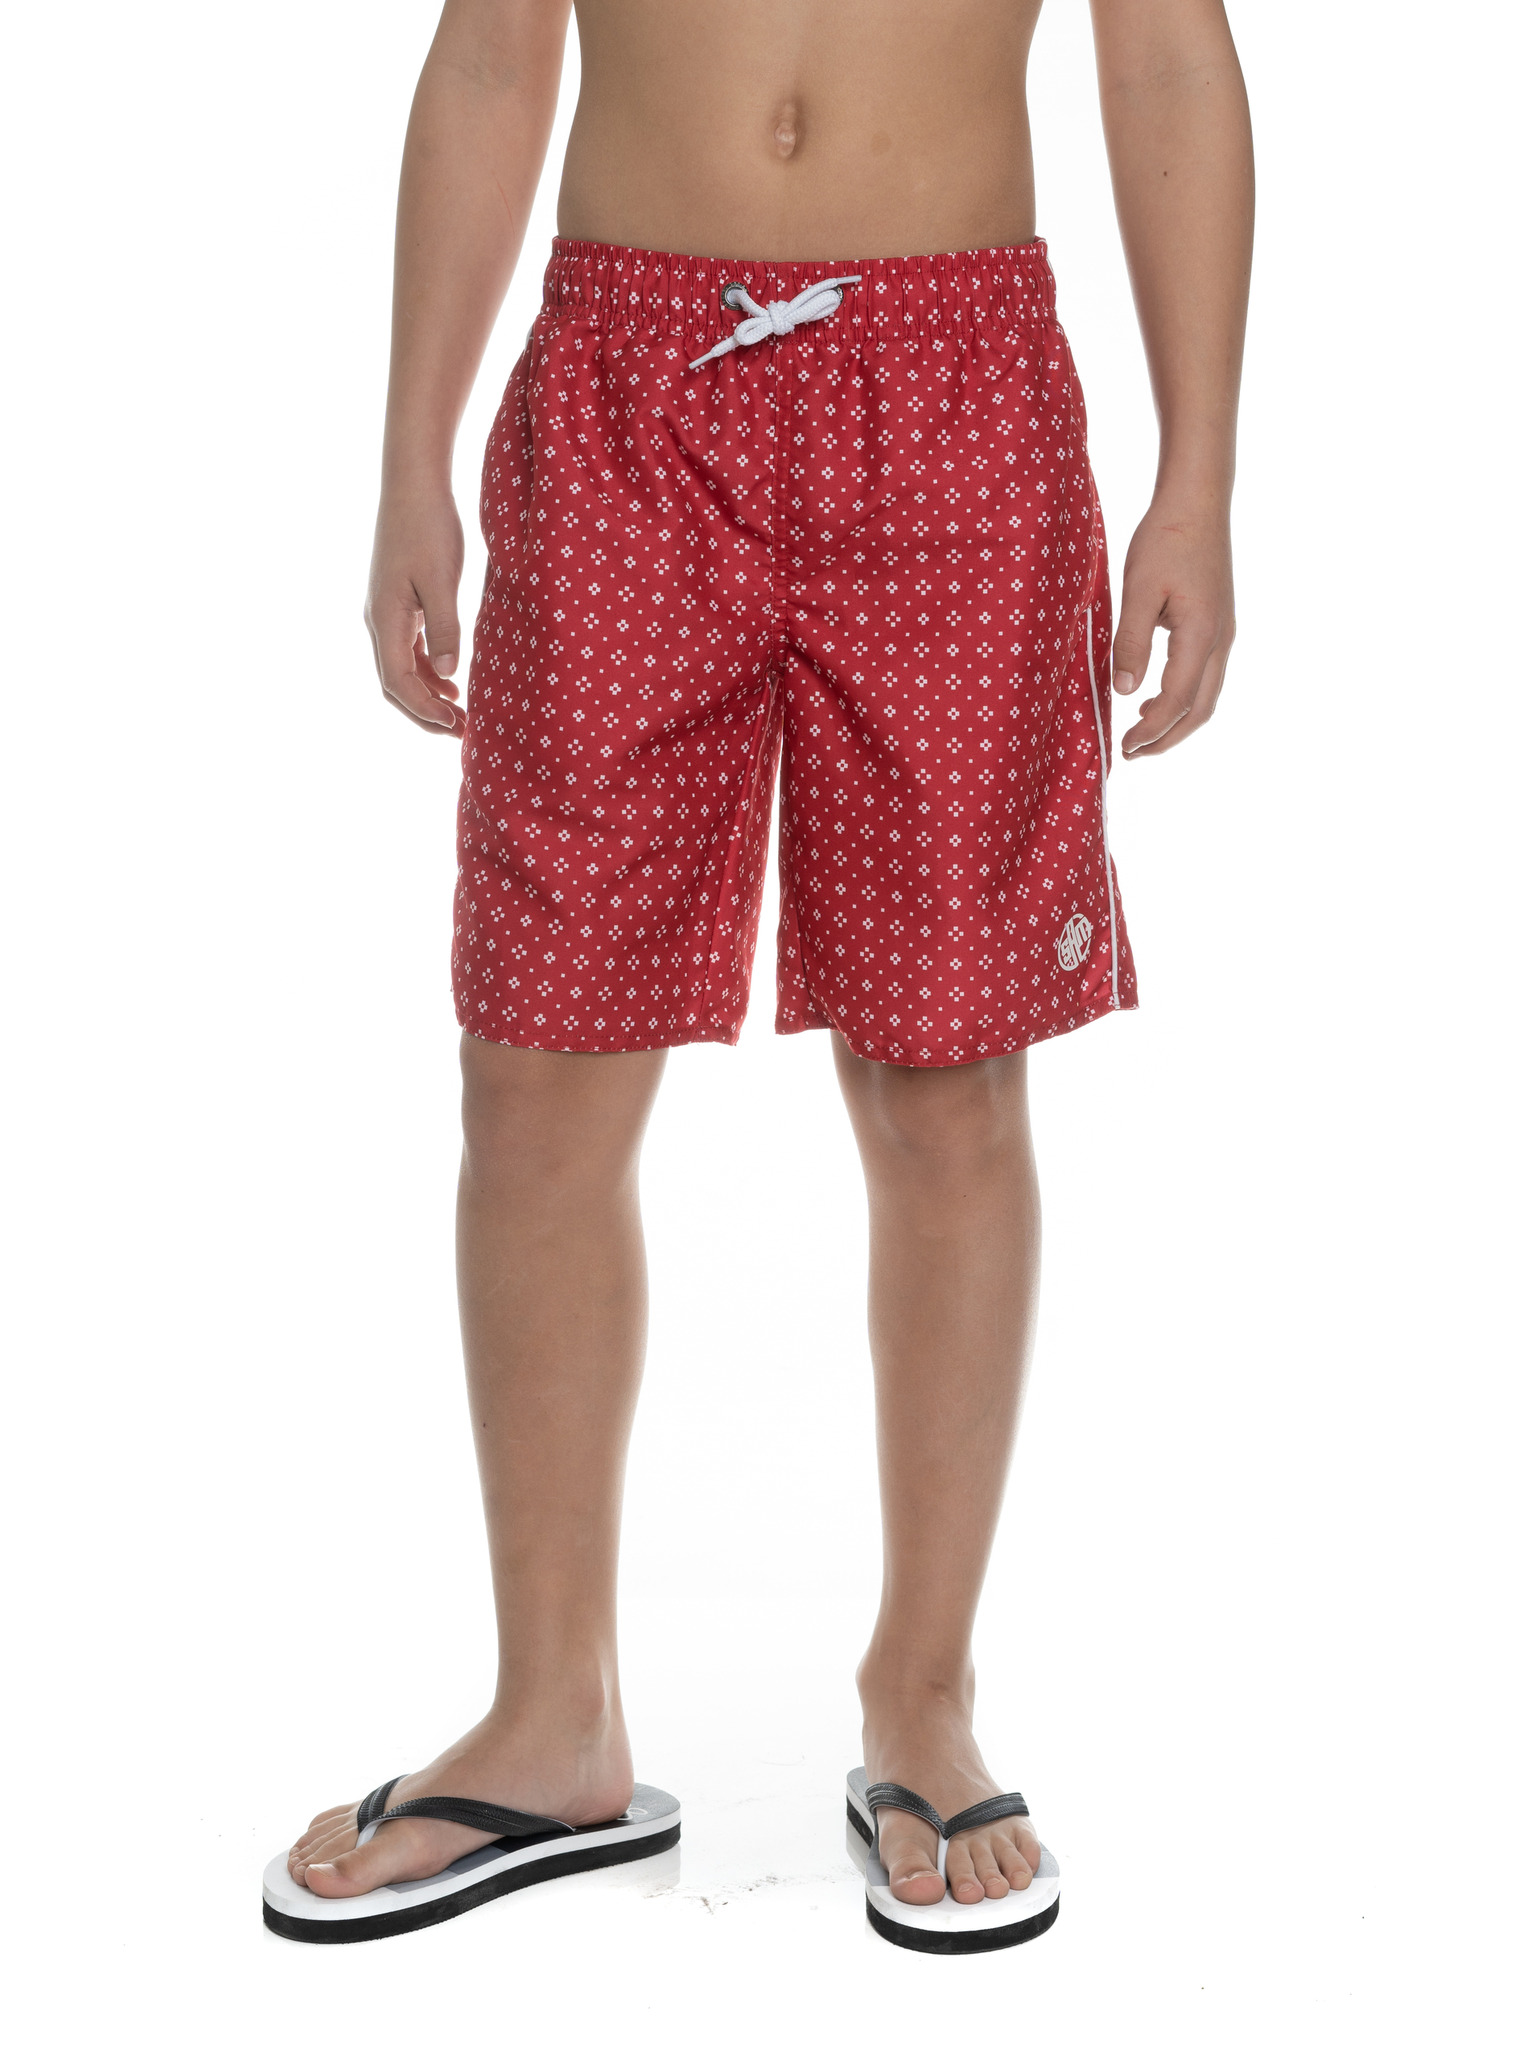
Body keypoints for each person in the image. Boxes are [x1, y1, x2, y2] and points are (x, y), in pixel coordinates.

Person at [270, 0, 1252, 1950]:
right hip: (625, 380)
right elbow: (492, 52)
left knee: (947, 1078)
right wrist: (409, 456)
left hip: (954, 379)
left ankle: (924, 1695)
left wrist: (1200, 475)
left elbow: (1164, 49)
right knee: (535, 1061)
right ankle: (553, 1717)